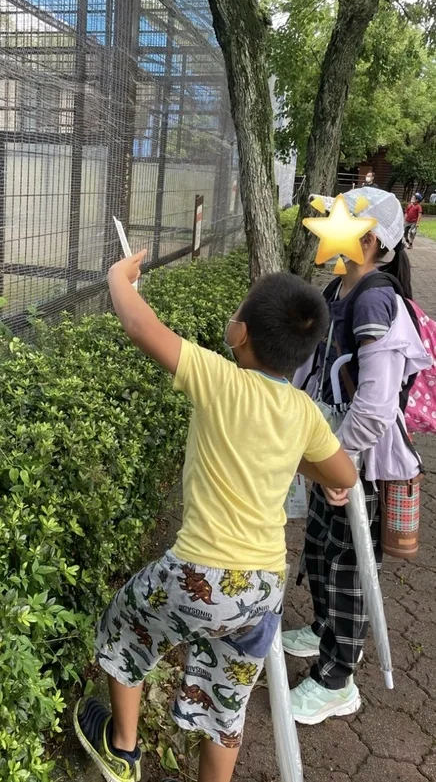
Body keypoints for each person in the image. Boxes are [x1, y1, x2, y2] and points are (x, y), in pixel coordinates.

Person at [75, 260, 358, 782]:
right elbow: (343, 472)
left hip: (200, 574)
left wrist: (118, 278)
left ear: (240, 333)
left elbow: (142, 326)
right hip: (263, 591)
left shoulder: (220, 378)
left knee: (123, 626)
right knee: (226, 706)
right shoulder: (301, 411)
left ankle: (123, 748)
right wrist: (306, 463)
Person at [285, 187, 430, 725]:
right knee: (320, 550)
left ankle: (339, 676)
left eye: (336, 224)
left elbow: (374, 403)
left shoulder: (373, 300)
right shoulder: (338, 289)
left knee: (348, 564)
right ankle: (326, 627)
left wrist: (339, 461)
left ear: (367, 240)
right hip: (332, 456)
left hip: (357, 463)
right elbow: (312, 367)